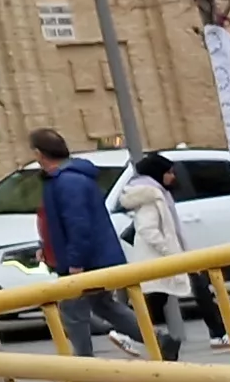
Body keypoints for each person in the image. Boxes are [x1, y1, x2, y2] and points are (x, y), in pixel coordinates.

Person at [27, 130, 152, 357]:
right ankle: (159, 341)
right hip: (90, 257)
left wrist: (76, 262)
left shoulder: (66, 181)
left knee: (72, 311)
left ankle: (83, 361)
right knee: (102, 305)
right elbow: (57, 222)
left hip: (85, 260)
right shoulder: (63, 179)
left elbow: (77, 224)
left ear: (39, 153)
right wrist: (46, 248)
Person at [113, 153, 206, 354]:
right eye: (169, 172)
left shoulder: (156, 194)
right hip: (157, 257)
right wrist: (168, 250)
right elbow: (148, 229)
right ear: (158, 173)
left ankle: (129, 334)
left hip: (159, 257)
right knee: (156, 300)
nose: (173, 177)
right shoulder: (152, 197)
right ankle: (126, 334)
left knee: (158, 299)